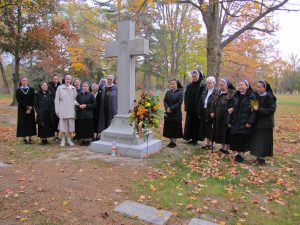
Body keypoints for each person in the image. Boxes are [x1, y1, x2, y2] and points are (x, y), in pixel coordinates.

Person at [228, 80, 257, 163]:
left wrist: (250, 122)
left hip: (245, 121)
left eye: (242, 85)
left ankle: (242, 155)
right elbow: (231, 107)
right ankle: (238, 154)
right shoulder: (235, 95)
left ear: (247, 86)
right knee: (236, 138)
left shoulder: (252, 96)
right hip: (236, 120)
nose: (240, 87)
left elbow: (255, 111)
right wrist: (229, 120)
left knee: (243, 139)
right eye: (239, 85)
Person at [250, 80, 277, 165]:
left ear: (265, 88)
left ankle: (262, 158)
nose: (257, 89)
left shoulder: (270, 97)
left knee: (263, 141)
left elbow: (271, 110)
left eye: (260, 87)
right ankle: (256, 156)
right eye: (257, 87)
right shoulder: (255, 95)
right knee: (256, 140)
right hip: (256, 122)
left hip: (265, 123)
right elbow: (252, 106)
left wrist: (259, 109)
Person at [211, 78, 236, 154]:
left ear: (227, 85)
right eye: (220, 85)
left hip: (227, 116)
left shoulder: (233, 93)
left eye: (222, 85)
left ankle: (227, 149)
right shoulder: (218, 92)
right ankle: (222, 147)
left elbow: (235, 104)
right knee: (220, 132)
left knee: (226, 132)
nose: (221, 87)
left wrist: (232, 110)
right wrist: (212, 111)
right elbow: (213, 102)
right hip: (218, 115)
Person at [183, 70, 206, 145]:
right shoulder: (189, 86)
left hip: (198, 109)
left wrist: (200, 108)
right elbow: (186, 96)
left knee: (196, 124)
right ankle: (191, 138)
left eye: (195, 76)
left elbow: (203, 98)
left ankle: (195, 139)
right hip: (190, 109)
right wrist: (186, 106)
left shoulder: (202, 86)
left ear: (198, 77)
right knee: (190, 124)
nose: (194, 78)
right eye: (193, 77)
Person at [55, 74, 77, 147]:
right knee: (63, 126)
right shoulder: (60, 88)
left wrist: (79, 105)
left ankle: (69, 140)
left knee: (70, 127)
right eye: (67, 79)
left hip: (71, 110)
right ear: (64, 79)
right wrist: (57, 110)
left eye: (69, 79)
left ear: (71, 80)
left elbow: (75, 99)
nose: (68, 80)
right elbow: (56, 100)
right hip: (63, 109)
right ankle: (63, 140)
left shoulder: (73, 88)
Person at [198, 76, 218, 149]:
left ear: (214, 83)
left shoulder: (217, 91)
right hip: (205, 111)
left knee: (211, 128)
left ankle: (213, 143)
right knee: (206, 128)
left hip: (212, 112)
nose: (208, 85)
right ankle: (207, 143)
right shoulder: (206, 90)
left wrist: (213, 112)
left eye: (209, 83)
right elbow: (201, 101)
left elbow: (216, 103)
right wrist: (200, 111)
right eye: (207, 83)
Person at [163, 79, 184, 148]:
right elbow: (165, 101)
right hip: (168, 113)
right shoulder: (168, 92)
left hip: (176, 113)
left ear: (177, 85)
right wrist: (167, 108)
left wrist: (171, 108)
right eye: (171, 84)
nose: (172, 85)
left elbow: (179, 102)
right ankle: (170, 141)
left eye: (174, 84)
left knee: (175, 128)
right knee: (169, 127)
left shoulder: (180, 92)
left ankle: (174, 142)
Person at [16, 76, 37, 144]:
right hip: (22, 109)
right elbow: (19, 100)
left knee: (30, 122)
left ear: (27, 81)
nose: (24, 82)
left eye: (25, 81)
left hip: (30, 109)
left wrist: (31, 107)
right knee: (23, 123)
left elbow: (33, 98)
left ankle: (30, 138)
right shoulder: (18, 90)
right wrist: (26, 106)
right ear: (21, 82)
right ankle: (24, 138)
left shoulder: (31, 89)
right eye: (23, 81)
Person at [48, 73, 61, 140]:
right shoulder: (49, 86)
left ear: (58, 79)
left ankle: (58, 135)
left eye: (56, 79)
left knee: (58, 120)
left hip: (59, 105)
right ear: (52, 79)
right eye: (54, 79)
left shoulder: (60, 86)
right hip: (52, 106)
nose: (55, 80)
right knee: (52, 120)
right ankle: (53, 134)